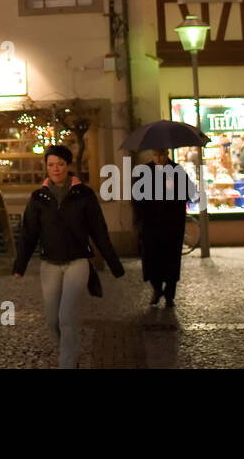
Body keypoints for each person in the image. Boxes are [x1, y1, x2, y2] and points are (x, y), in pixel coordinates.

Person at [13, 145, 124, 368]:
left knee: (66, 317)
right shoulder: (38, 198)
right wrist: (20, 265)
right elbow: (29, 234)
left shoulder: (83, 194)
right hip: (49, 265)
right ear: (46, 167)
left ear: (68, 166)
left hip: (77, 263)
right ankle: (71, 352)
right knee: (52, 320)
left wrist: (114, 264)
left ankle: (68, 363)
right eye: (51, 165)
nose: (55, 169)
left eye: (60, 164)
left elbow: (99, 231)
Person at [134, 149, 190, 307]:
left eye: (162, 155)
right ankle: (157, 289)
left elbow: (186, 194)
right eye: (156, 155)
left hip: (172, 224)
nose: (159, 158)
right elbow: (137, 197)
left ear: (167, 155)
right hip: (151, 223)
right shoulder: (145, 171)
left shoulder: (177, 170)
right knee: (151, 257)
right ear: (152, 155)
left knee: (171, 258)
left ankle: (170, 294)